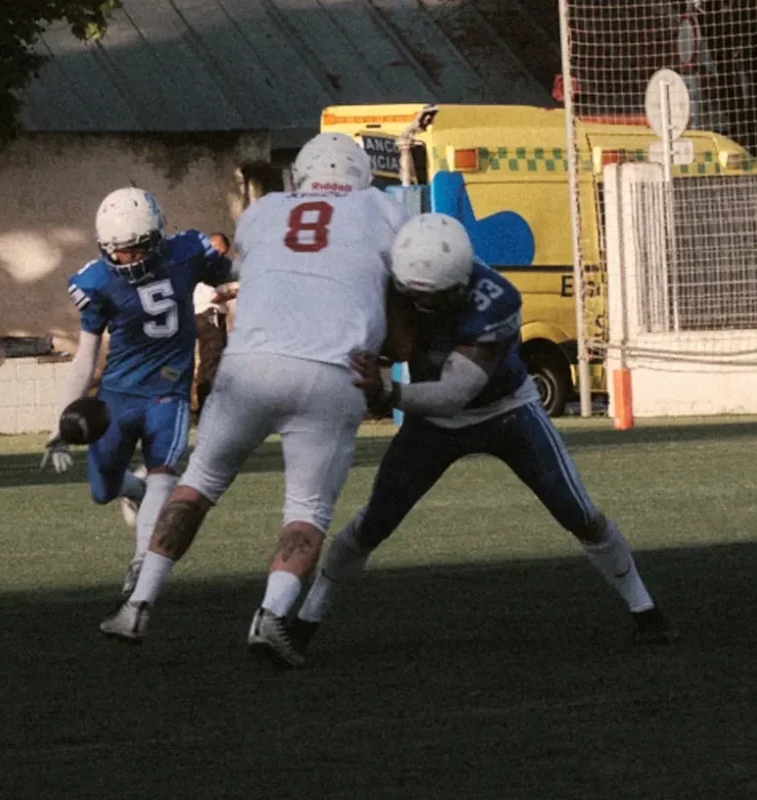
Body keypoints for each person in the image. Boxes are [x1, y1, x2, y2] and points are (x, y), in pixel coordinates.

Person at [289, 212, 677, 665]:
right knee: (374, 522)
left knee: (579, 513)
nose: (420, 303)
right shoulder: (391, 281)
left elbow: (453, 395)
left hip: (504, 410)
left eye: (429, 297)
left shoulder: (496, 301)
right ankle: (305, 622)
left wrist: (387, 390)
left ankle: (644, 609)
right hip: (434, 420)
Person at [98, 133, 413, 664]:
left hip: (249, 365)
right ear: (361, 178)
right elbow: (402, 293)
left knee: (196, 486)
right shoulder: (382, 209)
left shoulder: (265, 211)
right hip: (332, 372)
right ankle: (271, 616)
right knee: (306, 512)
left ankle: (138, 604)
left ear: (300, 178)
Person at [40, 187, 236, 627]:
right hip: (117, 397)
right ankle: (136, 491)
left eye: (134, 250)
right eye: (117, 252)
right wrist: (61, 422)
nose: (126, 259)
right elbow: (86, 356)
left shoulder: (186, 252)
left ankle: (142, 570)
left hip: (168, 391)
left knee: (167, 475)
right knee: (101, 490)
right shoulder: (96, 282)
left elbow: (240, 269)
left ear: (156, 237)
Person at [192, 233, 236, 414]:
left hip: (206, 317)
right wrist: (233, 294)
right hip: (211, 317)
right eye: (220, 250)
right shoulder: (206, 265)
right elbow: (214, 297)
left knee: (207, 363)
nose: (221, 255)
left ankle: (204, 407)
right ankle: (210, 409)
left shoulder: (199, 265)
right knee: (213, 362)